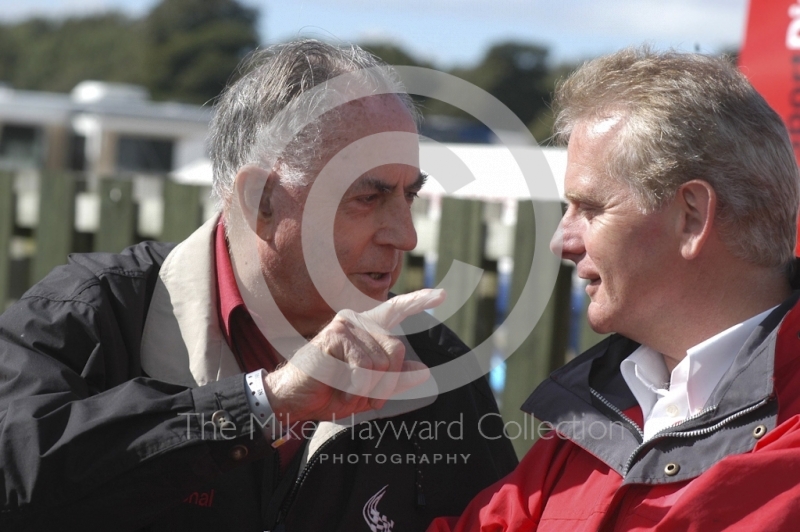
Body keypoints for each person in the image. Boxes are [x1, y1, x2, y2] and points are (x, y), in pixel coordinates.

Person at [0, 39, 517, 531]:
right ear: (261, 200)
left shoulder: (435, 364)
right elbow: (17, 480)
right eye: (369, 197)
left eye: (410, 195)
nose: (405, 235)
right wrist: (264, 402)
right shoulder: (91, 315)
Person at [428, 47, 800, 531]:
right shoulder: (603, 409)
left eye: (590, 208)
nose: (563, 241)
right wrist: (294, 416)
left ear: (691, 216)